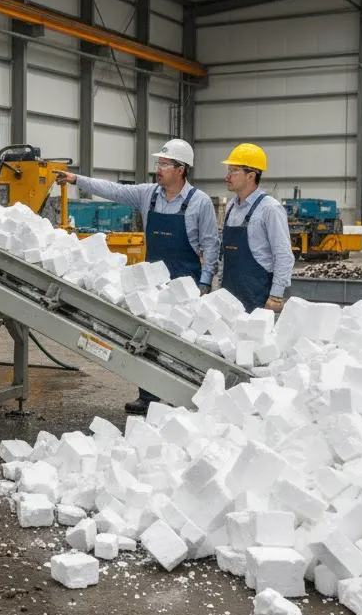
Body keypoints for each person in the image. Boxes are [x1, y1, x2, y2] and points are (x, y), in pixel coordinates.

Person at [56, 138, 220, 415]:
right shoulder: (149, 194)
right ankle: (148, 396)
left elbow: (211, 243)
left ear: (181, 169)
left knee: (182, 341)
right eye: (159, 163)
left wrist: (205, 282)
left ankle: (184, 394)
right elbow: (113, 190)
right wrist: (76, 179)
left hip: (185, 280)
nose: (159, 168)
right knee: (147, 338)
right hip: (151, 279)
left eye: (165, 164)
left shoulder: (199, 202)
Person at [220, 143, 295, 314]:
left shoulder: (270, 209)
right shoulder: (231, 207)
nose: (227, 176)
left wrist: (276, 296)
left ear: (251, 176)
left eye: (233, 170)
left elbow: (283, 255)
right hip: (229, 293)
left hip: (258, 295)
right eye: (228, 170)